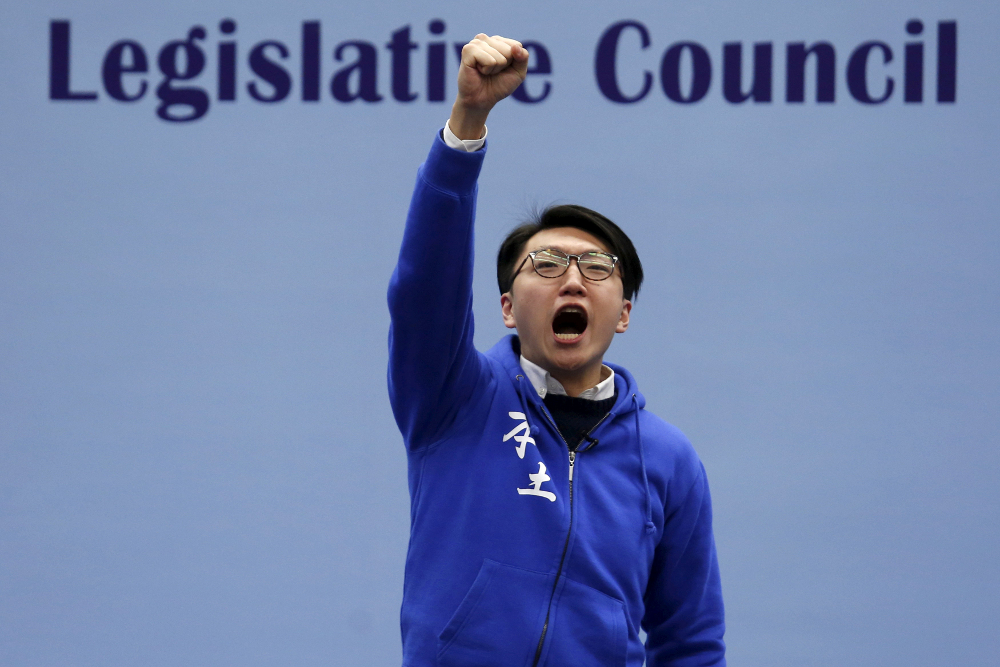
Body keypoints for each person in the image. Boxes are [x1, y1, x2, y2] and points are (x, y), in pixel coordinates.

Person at [387, 33, 725, 667]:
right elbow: (422, 289)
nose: (572, 279)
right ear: (509, 308)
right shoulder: (456, 400)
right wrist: (467, 127)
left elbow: (692, 644)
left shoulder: (671, 462)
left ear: (623, 313)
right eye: (544, 264)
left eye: (596, 266)